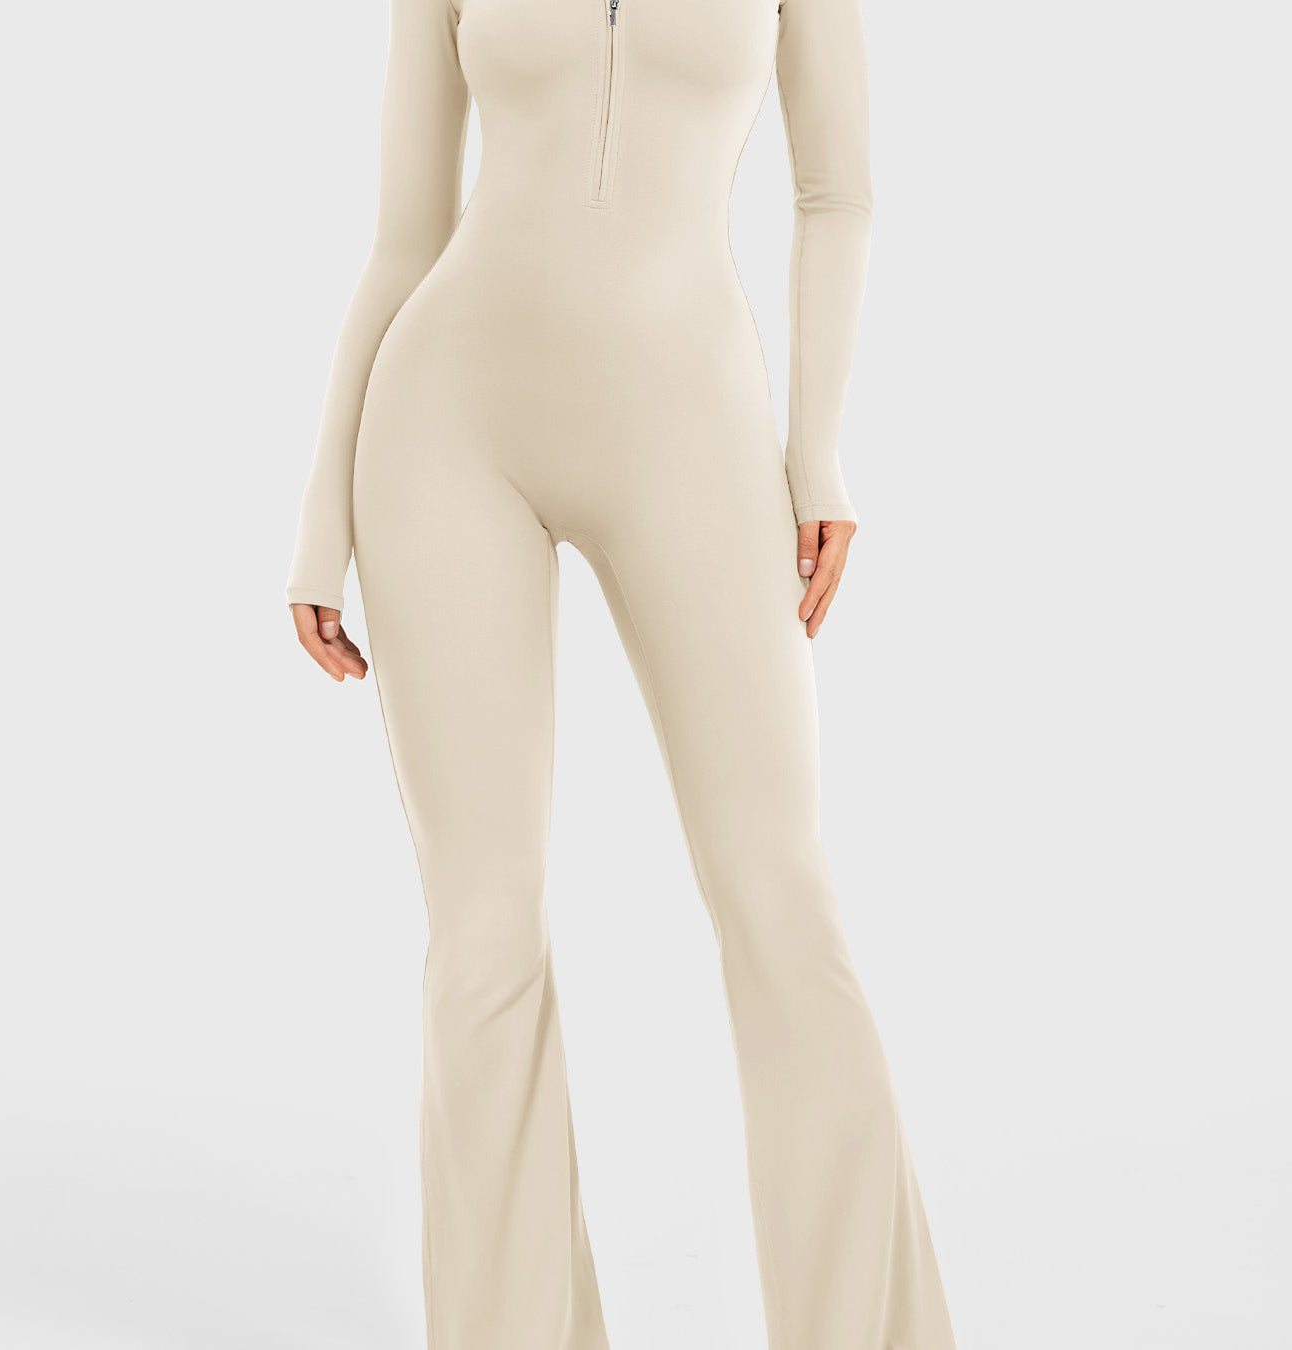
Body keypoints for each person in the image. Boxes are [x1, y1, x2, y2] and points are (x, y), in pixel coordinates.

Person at [285, 0, 957, 1343]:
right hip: (446, 423)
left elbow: (835, 194)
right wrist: (319, 521)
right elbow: (406, 234)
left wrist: (816, 452)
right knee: (481, 935)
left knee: (779, 899)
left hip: (690, 421)